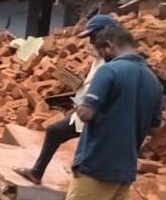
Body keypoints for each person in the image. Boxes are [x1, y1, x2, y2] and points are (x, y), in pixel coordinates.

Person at [25, 24, 163, 200]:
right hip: (124, 169)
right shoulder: (152, 80)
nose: (100, 56)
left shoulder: (109, 72)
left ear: (109, 45)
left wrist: (79, 109)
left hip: (95, 164)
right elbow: (154, 126)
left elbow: (86, 114)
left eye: (100, 50)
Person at [14, 13, 119, 185]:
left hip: (98, 116)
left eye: (93, 37)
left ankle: (84, 184)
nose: (90, 42)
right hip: (86, 111)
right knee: (55, 132)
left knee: (83, 149)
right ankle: (37, 172)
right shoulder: (100, 56)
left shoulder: (113, 61)